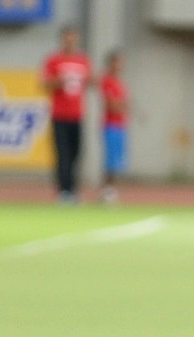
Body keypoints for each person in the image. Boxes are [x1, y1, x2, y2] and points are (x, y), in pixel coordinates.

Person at [42, 26, 93, 204]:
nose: (71, 41)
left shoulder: (83, 60)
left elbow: (89, 81)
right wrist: (60, 80)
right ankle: (63, 190)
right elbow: (46, 85)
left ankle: (73, 189)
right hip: (60, 115)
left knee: (76, 154)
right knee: (62, 154)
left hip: (77, 115)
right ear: (62, 39)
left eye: (74, 38)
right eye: (67, 38)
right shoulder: (53, 61)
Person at [100, 50, 130, 204]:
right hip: (111, 125)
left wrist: (123, 106)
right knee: (111, 160)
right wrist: (122, 105)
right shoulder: (108, 81)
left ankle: (110, 189)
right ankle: (107, 189)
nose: (120, 65)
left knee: (118, 161)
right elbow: (112, 105)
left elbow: (125, 104)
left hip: (120, 125)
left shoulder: (120, 82)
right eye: (117, 62)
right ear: (111, 63)